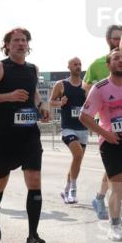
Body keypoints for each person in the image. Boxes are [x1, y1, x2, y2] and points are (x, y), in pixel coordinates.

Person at [0, 28, 50, 243]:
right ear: (7, 45)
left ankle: (33, 236)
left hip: (29, 134)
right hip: (4, 135)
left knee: (35, 180)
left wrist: (41, 107)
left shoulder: (32, 69)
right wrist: (7, 97)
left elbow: (34, 95)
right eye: (16, 41)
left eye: (24, 40)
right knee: (0, 181)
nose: (21, 44)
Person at [78, 49, 122, 241]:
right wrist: (105, 134)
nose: (121, 61)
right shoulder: (100, 88)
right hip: (109, 143)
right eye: (116, 59)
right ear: (108, 64)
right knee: (117, 186)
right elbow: (84, 116)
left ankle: (112, 198)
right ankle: (115, 225)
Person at [49, 57, 88, 204]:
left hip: (83, 128)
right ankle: (73, 190)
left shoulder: (86, 86)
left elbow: (91, 105)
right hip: (68, 128)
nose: (78, 67)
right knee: (77, 154)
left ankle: (65, 190)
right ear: (69, 67)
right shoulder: (61, 85)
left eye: (80, 64)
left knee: (77, 160)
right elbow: (51, 102)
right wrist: (60, 102)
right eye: (75, 64)